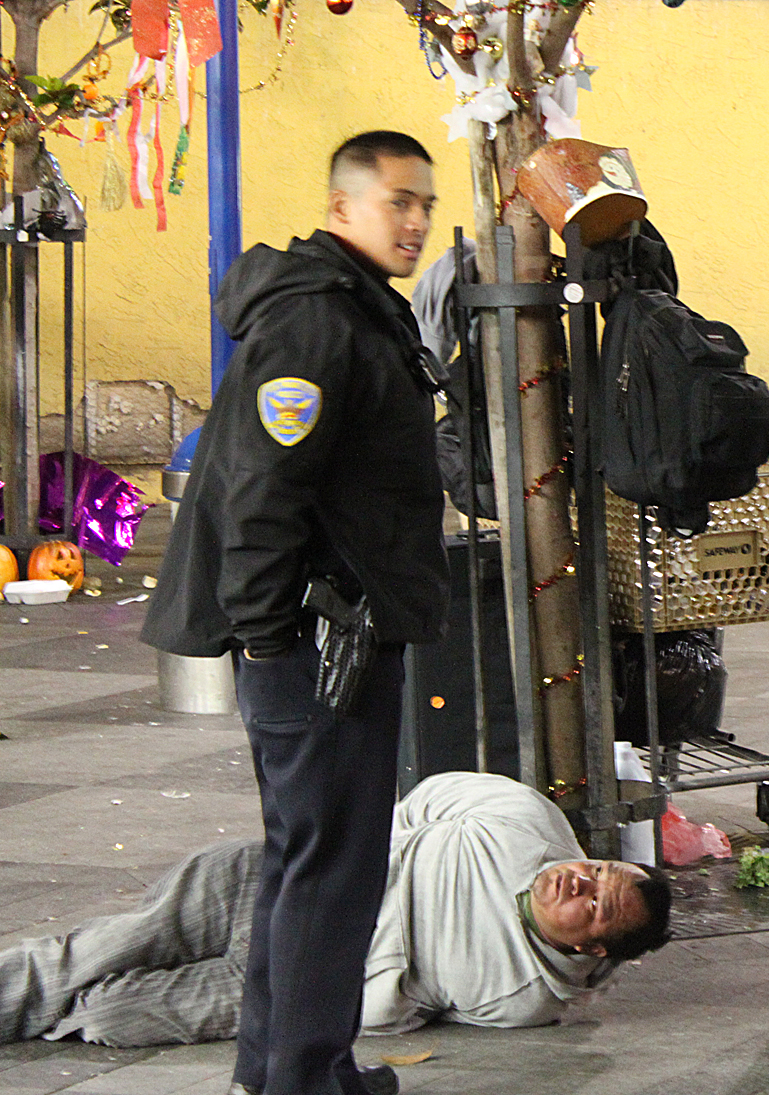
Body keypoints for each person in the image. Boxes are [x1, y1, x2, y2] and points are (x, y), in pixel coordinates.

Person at [139, 131, 452, 1095]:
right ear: (342, 206)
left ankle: (281, 1069)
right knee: (331, 867)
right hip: (317, 640)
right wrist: (271, 638)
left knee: (309, 857)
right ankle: (303, 1080)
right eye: (398, 201)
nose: (415, 221)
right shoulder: (317, 322)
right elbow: (262, 490)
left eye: (425, 205)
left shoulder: (354, 307)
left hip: (334, 630)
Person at [0, 773, 673, 1051]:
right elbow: (415, 805)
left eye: (594, 905)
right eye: (598, 869)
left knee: (111, 1018)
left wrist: (363, 981)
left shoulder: (524, 996)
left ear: (592, 949)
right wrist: (356, 867)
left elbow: (410, 1011)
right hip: (279, 883)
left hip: (294, 979)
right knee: (98, 951)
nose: (579, 881)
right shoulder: (524, 818)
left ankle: (49, 1006)